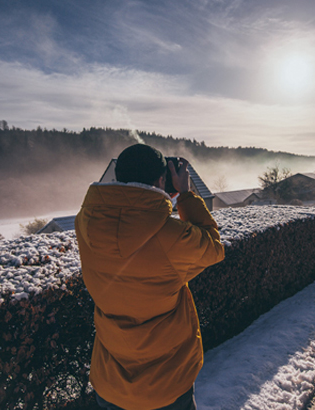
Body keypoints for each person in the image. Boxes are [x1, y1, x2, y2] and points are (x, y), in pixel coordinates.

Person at [75, 144, 225, 410]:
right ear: (160, 180)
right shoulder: (171, 237)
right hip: (166, 386)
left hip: (110, 381)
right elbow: (213, 248)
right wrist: (185, 195)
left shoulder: (85, 223)